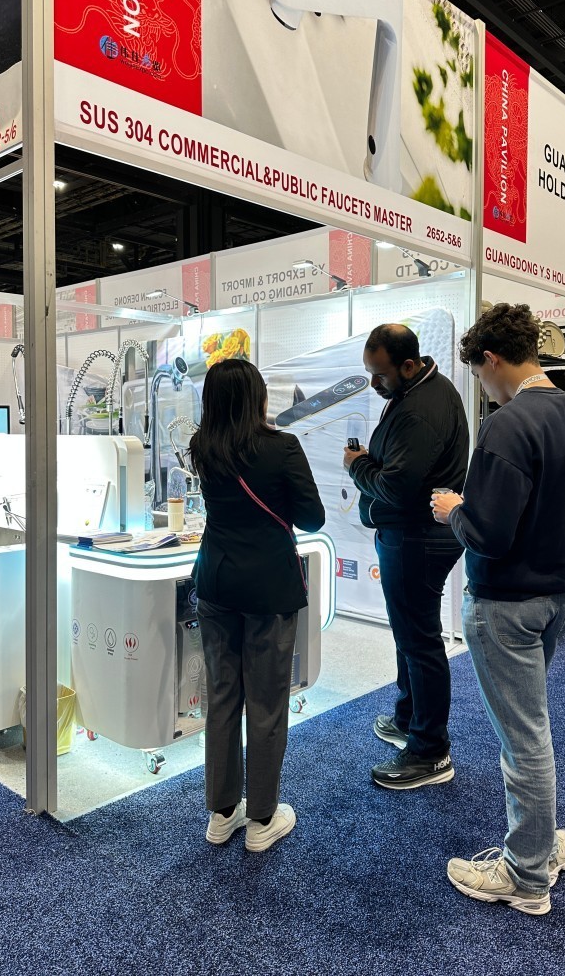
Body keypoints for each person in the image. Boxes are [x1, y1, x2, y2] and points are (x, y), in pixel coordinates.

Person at [432, 303, 565, 916]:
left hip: (506, 604)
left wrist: (454, 510)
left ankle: (527, 874)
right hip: (561, 596)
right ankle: (540, 843)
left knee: (523, 738)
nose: (482, 387)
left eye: (478, 374)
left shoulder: (506, 426)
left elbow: (487, 533)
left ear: (491, 360)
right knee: (531, 727)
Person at [190, 359, 325, 852]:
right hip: (269, 587)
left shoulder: (202, 447)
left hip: (216, 582)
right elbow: (312, 517)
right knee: (266, 703)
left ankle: (222, 813)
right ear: (257, 398)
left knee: (222, 698)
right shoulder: (281, 447)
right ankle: (262, 819)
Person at [343, 323, 470, 789]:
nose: (374, 383)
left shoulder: (420, 410)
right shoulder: (421, 391)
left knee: (419, 641)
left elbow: (396, 487)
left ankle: (430, 752)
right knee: (411, 636)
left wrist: (358, 465)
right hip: (413, 533)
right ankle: (409, 721)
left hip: (417, 537)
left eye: (380, 374)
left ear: (410, 365)